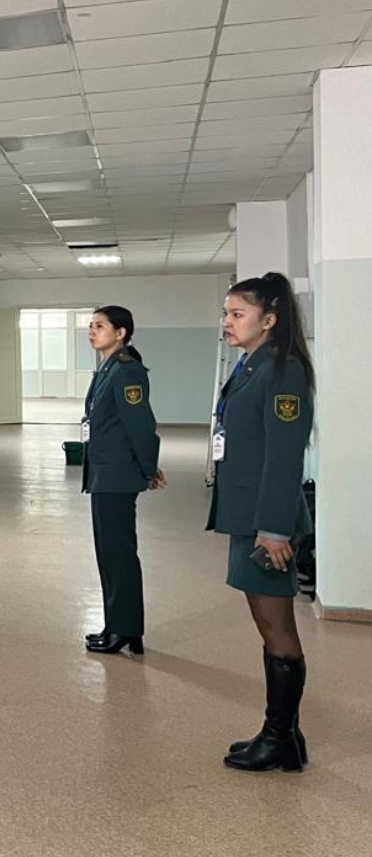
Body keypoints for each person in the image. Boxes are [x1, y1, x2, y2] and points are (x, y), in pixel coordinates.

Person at [211, 273, 316, 773]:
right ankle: (284, 735)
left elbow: (284, 456)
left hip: (266, 522)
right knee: (267, 626)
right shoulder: (251, 365)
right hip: (249, 515)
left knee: (277, 629)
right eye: (226, 313)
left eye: (237, 314)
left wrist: (274, 529)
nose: (227, 322)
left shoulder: (283, 370)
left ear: (269, 320)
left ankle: (279, 739)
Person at [79, 306, 162, 657]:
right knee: (111, 554)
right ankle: (119, 625)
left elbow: (140, 425)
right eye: (91, 326)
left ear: (121, 332)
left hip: (116, 475)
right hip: (105, 472)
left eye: (100, 326)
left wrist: (148, 468)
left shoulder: (127, 371)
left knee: (118, 555)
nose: (92, 331)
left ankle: (125, 628)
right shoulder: (108, 368)